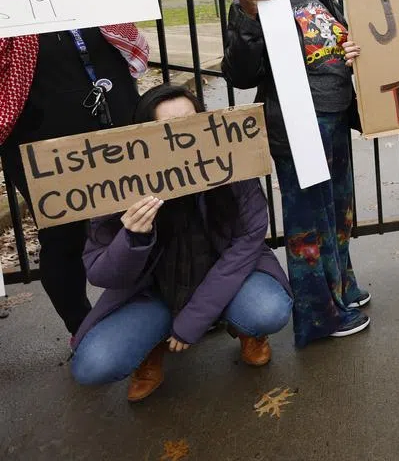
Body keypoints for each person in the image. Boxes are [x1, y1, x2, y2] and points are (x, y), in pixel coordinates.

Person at [0, 0, 170, 338]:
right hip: (41, 137)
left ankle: (167, 306)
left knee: (147, 213)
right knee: (64, 239)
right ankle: (83, 328)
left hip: (118, 120)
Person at [69, 84, 292, 403]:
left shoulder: (231, 163)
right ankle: (151, 349)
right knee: (93, 365)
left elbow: (248, 240)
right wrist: (132, 238)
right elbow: (102, 275)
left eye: (190, 123)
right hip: (153, 294)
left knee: (267, 311)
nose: (180, 137)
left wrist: (194, 319)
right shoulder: (119, 183)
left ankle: (248, 330)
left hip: (226, 278)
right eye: (167, 129)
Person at [223, 0, 370, 345]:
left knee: (338, 211)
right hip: (297, 126)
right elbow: (239, 73)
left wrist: (350, 50)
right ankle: (318, 315)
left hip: (335, 118)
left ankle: (341, 289)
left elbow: (333, 49)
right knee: (310, 222)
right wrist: (248, 17)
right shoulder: (260, 3)